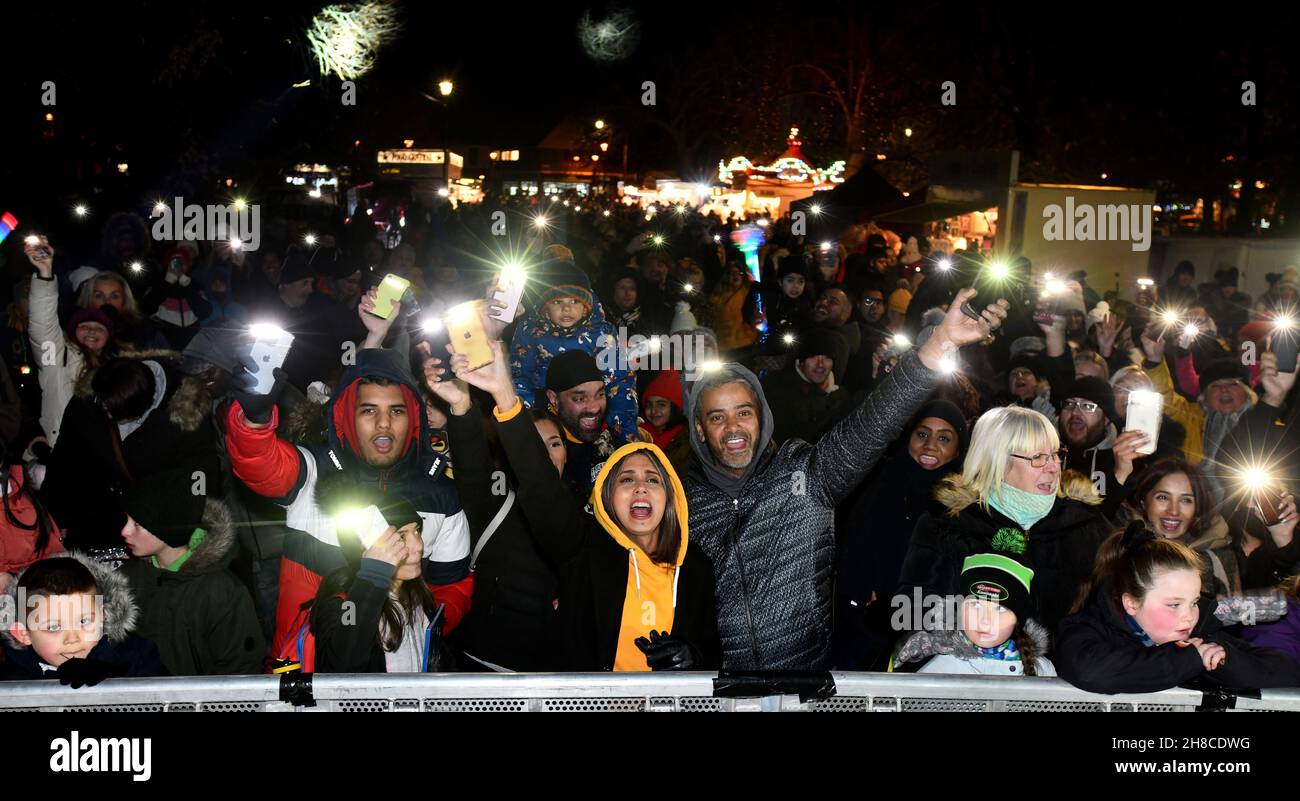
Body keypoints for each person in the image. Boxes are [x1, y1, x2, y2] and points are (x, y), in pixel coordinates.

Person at [686, 287, 1008, 670]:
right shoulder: (682, 501)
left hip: (804, 687)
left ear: (762, 417)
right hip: (718, 691)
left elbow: (873, 425)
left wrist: (940, 341)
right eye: (717, 417)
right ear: (700, 430)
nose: (733, 428)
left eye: (743, 412)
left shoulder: (806, 474)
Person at [451, 340, 720, 671]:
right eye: (625, 480)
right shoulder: (584, 552)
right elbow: (541, 484)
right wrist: (505, 394)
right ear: (606, 498)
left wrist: (694, 657)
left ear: (671, 495)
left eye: (652, 480)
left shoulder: (697, 567)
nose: (639, 486)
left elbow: (714, 649)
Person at [225, 345, 472, 663]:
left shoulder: (442, 492)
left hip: (406, 681)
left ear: (413, 418)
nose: (384, 423)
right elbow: (259, 464)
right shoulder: (314, 470)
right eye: (369, 410)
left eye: (396, 411)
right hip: (310, 676)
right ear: (347, 417)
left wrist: (420, 629)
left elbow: (454, 586)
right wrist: (253, 421)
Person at [899, 405, 1112, 636]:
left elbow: (1115, 610)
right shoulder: (946, 524)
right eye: (1038, 457)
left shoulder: (1086, 523)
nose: (1053, 468)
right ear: (997, 462)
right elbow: (915, 613)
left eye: (1055, 454)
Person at [425, 356, 560, 672]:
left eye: (554, 444)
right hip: (482, 667)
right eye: (534, 446)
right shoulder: (495, 503)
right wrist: (460, 404)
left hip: (552, 675)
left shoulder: (585, 513)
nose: (545, 455)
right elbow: (472, 467)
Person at [1056, 522, 1300, 693]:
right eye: (1173, 604)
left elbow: (1287, 671)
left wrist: (1223, 661)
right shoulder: (1085, 629)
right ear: (1131, 603)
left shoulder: (1199, 630)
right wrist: (1188, 660)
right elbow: (1091, 672)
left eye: (1193, 602)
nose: (1188, 617)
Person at [41, 353, 220, 555]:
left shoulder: (187, 415)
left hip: (151, 533)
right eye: (104, 405)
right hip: (90, 524)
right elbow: (64, 463)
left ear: (145, 406)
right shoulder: (88, 401)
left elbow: (200, 475)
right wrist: (52, 518)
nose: (107, 413)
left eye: (117, 413)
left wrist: (192, 529)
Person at [834, 400, 967, 669]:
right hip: (861, 630)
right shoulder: (879, 482)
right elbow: (852, 552)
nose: (930, 445)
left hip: (929, 643)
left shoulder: (963, 506)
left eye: (944, 438)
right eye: (922, 434)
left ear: (957, 449)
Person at [118, 462, 265, 675]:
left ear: (167, 526)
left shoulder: (221, 592)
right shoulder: (125, 579)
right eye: (127, 520)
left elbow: (240, 670)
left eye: (138, 524)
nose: (125, 531)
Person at [1118, 458, 1299, 597]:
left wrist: (1283, 540)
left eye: (1186, 500)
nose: (1173, 511)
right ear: (1143, 501)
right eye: (1163, 497)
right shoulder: (1118, 545)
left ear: (1198, 509)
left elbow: (1259, 609)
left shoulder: (1220, 553)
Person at [509, 253, 638, 445]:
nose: (567, 309)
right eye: (557, 302)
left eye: (575, 301)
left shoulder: (601, 333)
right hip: (546, 411)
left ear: (587, 307)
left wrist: (624, 429)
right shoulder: (531, 332)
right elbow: (520, 375)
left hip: (591, 413)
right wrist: (531, 414)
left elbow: (618, 380)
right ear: (545, 307)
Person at [310, 493, 446, 673]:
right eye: (401, 537)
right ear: (366, 551)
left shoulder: (414, 592)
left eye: (417, 531)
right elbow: (340, 671)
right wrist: (374, 576)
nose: (419, 546)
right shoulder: (343, 603)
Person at [0, 553, 163, 683]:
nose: (73, 639)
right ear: (23, 634)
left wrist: (113, 677)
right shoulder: (11, 682)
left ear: (103, 617)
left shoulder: (138, 658)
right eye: (53, 627)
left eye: (84, 621)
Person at [24, 237, 123, 445]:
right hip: (59, 453)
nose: (91, 332)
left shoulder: (119, 365)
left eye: (99, 328)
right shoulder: (56, 358)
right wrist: (44, 273)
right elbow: (43, 325)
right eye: (84, 326)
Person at [894, 553, 1056, 676]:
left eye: (999, 609)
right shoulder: (940, 670)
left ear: (1018, 619)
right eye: (976, 604)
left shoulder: (1042, 670)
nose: (984, 620)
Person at [1141, 330, 1253, 464]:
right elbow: (1164, 399)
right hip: (1198, 483)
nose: (1224, 390)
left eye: (1232, 384)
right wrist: (1154, 360)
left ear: (1246, 392)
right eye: (1215, 386)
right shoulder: (1192, 417)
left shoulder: (1261, 416)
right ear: (1204, 396)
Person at [1057, 376, 1149, 512]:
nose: (1075, 412)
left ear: (1106, 419)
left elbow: (1109, 523)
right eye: (1069, 404)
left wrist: (1120, 473)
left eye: (1088, 406)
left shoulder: (1122, 460)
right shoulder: (1043, 452)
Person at [760, 328, 849, 446]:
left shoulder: (839, 396)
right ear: (800, 361)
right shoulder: (775, 389)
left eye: (827, 357)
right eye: (813, 357)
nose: (820, 364)